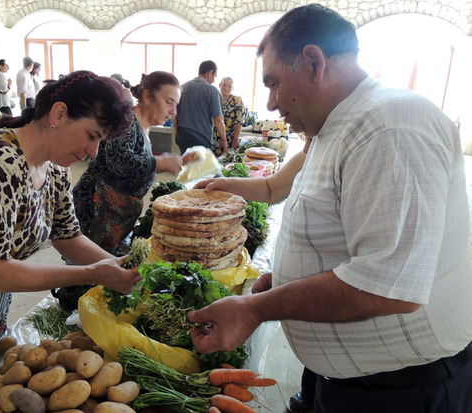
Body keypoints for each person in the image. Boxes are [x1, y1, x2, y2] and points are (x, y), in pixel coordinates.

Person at [188, 4, 472, 413]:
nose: (269, 104)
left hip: (402, 390)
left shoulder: (390, 126)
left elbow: (388, 286)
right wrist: (289, 280)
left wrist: (255, 309)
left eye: (273, 83)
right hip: (346, 378)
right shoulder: (331, 128)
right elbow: (283, 193)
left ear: (314, 63)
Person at [0, 70, 140, 398]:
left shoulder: (54, 170)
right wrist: (93, 273)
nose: (93, 151)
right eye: (91, 135)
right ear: (59, 114)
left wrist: (118, 267)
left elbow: (67, 236)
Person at [73, 71, 196, 254]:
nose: (173, 111)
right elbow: (120, 162)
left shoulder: (142, 125)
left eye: (175, 104)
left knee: (106, 267)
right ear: (147, 96)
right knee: (86, 270)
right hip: (98, 209)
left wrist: (174, 162)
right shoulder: (126, 121)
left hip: (117, 213)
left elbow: (137, 168)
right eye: (168, 102)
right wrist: (160, 162)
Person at [174, 60, 227, 155]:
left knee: (187, 168)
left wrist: (177, 132)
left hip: (182, 136)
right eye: (214, 76)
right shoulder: (212, 91)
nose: (214, 80)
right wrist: (224, 140)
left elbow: (174, 114)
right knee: (202, 169)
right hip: (201, 139)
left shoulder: (182, 88)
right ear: (210, 72)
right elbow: (218, 119)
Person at [212, 77, 245, 155]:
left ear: (232, 88)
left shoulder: (237, 100)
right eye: (224, 85)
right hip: (213, 139)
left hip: (229, 139)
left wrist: (235, 140)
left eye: (229, 86)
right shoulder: (214, 99)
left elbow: (239, 121)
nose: (226, 88)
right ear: (220, 85)